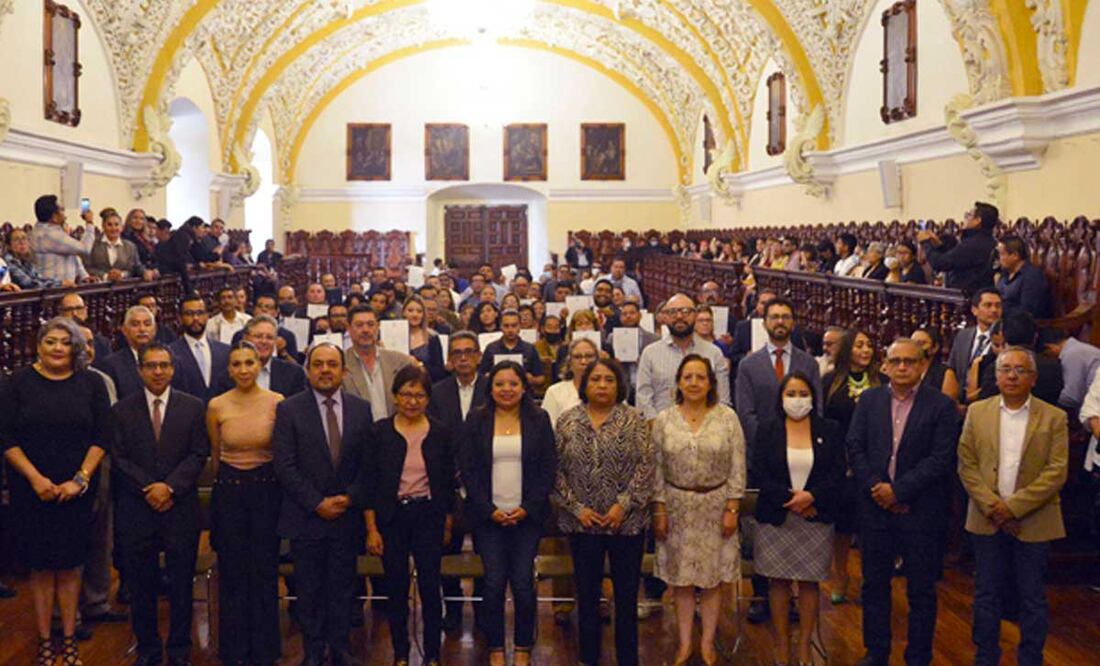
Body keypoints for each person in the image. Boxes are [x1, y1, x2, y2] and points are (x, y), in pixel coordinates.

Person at [1, 317, 109, 666]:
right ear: (38, 345)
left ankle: (69, 639)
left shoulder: (91, 383)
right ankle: (46, 639)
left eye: (65, 342)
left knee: (71, 565)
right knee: (41, 567)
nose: (58, 348)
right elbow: (6, 437)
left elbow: (102, 437)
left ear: (75, 347)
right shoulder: (17, 383)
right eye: (51, 341)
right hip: (31, 489)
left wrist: (80, 479)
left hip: (75, 489)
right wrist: (35, 479)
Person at [847, 338, 959, 666]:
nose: (902, 367)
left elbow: (940, 459)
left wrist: (899, 491)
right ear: (884, 365)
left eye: (910, 361)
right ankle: (876, 652)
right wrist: (877, 487)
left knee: (921, 590)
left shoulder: (940, 406)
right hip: (875, 508)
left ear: (923, 365)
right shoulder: (869, 400)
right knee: (875, 586)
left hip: (920, 511)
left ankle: (918, 655)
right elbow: (855, 446)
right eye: (895, 361)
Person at [956, 346, 1067, 666]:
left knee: (1032, 597)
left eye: (1021, 370)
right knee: (986, 593)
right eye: (1006, 369)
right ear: (996, 375)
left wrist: (1014, 508)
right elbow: (967, 463)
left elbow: (1056, 471)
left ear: (1033, 378)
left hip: (1034, 520)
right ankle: (985, 656)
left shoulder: (1053, 417)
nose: (1013, 375)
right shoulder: (978, 412)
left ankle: (1031, 658)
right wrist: (994, 506)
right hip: (986, 516)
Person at [273, 342, 374, 666]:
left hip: (346, 516)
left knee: (344, 588)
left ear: (344, 371)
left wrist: (350, 497)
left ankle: (341, 649)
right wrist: (316, 503)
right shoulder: (289, 409)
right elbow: (284, 465)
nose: (325, 370)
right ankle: (313, 652)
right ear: (308, 370)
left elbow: (367, 464)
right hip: (307, 516)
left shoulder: (361, 408)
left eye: (332, 364)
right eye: (318, 364)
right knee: (310, 590)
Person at [110, 343, 209, 666]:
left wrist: (169, 487)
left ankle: (180, 650)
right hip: (137, 510)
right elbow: (118, 457)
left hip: (179, 508)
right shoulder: (122, 410)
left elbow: (198, 454)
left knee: (181, 585)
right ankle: (148, 650)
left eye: (164, 365)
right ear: (140, 370)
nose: (158, 372)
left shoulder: (193, 407)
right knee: (142, 585)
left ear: (172, 369)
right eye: (151, 366)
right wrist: (148, 488)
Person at [553, 359, 653, 666]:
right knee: (586, 596)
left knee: (625, 598)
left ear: (619, 384)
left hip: (627, 523)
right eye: (595, 379)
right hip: (582, 524)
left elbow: (647, 467)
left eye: (609, 379)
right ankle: (588, 658)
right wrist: (577, 508)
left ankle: (627, 659)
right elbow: (555, 471)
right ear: (585, 384)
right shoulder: (568, 421)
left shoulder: (635, 419)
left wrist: (623, 505)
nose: (602, 385)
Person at [652, 355, 745, 666]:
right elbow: (656, 468)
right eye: (688, 377)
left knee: (712, 579)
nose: (693, 383)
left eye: (700, 377)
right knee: (682, 579)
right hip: (676, 506)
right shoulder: (664, 419)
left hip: (716, 506)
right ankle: (684, 642)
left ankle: (707, 642)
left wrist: (733, 506)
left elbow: (737, 464)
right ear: (678, 382)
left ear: (710, 383)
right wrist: (659, 510)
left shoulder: (727, 417)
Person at [461, 362, 556, 666]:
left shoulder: (539, 419)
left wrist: (527, 507)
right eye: (500, 384)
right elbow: (469, 470)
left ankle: (524, 647)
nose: (506, 390)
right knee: (492, 583)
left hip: (527, 516)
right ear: (490, 389)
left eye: (513, 384)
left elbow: (547, 469)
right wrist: (489, 510)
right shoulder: (476, 420)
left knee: (524, 584)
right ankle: (496, 649)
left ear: (524, 387)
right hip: (488, 518)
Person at [754, 372, 845, 666]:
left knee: (808, 584)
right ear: (781, 398)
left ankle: (805, 646)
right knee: (778, 583)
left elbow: (836, 472)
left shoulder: (829, 429)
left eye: (803, 393)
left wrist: (811, 497)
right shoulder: (768, 430)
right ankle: (782, 644)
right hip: (777, 517)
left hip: (814, 516)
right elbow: (759, 472)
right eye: (791, 394)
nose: (797, 400)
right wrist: (790, 500)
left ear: (813, 397)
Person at [367, 365, 456, 666]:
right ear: (395, 396)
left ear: (428, 399)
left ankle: (433, 653)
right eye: (406, 394)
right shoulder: (379, 432)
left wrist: (447, 521)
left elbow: (447, 483)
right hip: (392, 518)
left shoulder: (441, 433)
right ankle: (401, 652)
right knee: (396, 588)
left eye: (419, 395)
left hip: (428, 515)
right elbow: (370, 484)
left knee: (431, 588)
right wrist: (372, 529)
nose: (412, 401)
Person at [206, 341, 284, 665]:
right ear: (229, 369)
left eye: (249, 363)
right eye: (236, 364)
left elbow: (281, 452)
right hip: (230, 493)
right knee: (233, 573)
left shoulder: (277, 402)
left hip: (266, 492)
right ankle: (234, 651)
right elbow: (214, 456)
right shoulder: (216, 406)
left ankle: (265, 651)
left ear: (259, 364)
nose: (243, 370)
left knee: (264, 572)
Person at [426, 332, 489, 630]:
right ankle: (451, 611)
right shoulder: (436, 392)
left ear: (478, 356)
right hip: (446, 483)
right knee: (444, 550)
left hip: (487, 484)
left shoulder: (494, 387)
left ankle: (483, 612)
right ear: (449, 360)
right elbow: (432, 438)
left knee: (486, 552)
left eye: (469, 352)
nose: (463, 358)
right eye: (457, 353)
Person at [821, 330, 884, 604]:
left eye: (869, 345)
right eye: (859, 345)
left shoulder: (881, 381)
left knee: (871, 523)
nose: (865, 350)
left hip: (873, 461)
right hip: (839, 460)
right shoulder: (830, 381)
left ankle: (874, 578)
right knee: (843, 525)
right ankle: (840, 573)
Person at [637, 293, 731, 421]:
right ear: (665, 317)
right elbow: (643, 398)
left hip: (706, 432)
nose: (679, 316)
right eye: (673, 312)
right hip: (660, 431)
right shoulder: (650, 353)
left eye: (686, 311)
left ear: (695, 315)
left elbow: (723, 400)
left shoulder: (714, 353)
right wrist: (658, 428)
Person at [343, 306, 414, 422]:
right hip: (358, 434)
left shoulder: (400, 361)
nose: (365, 330)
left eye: (370, 324)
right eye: (359, 325)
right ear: (349, 329)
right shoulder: (341, 364)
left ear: (378, 327)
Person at [919, 202, 998, 293]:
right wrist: (939, 245)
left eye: (968, 215)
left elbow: (941, 263)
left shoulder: (972, 244)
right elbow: (959, 260)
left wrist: (926, 243)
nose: (965, 218)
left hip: (966, 298)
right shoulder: (989, 241)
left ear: (978, 220)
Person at [169, 293, 231, 404]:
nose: (195, 318)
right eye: (189, 314)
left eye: (200, 313)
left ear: (207, 316)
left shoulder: (225, 351)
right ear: (180, 318)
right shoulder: (171, 353)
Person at [947, 288, 1003, 399]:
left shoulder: (1003, 339)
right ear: (974, 310)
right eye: (988, 305)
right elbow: (951, 369)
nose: (994, 310)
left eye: (998, 306)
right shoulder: (963, 336)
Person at [31, 194, 96, 283]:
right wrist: (89, 222)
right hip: (54, 289)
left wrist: (84, 276)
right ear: (54, 217)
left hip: (64, 287)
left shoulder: (49, 231)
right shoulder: (50, 234)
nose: (64, 212)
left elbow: (72, 252)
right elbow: (85, 248)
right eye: (61, 210)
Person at [100, 305, 158, 399]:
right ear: (124, 330)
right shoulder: (111, 365)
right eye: (135, 324)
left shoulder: (168, 359)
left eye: (147, 324)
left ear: (155, 330)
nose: (142, 329)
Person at [1038, 327, 1100, 410]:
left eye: (1047, 355)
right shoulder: (1079, 349)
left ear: (1050, 348)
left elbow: (1071, 397)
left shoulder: (1072, 354)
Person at [480, 309, 545, 388]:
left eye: (514, 325)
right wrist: (488, 377)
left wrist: (532, 379)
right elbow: (480, 376)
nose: (510, 330)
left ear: (520, 326)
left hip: (523, 394)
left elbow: (541, 378)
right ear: (500, 326)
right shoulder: (491, 349)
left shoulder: (529, 349)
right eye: (506, 326)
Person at [84, 208, 151, 281]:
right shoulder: (93, 244)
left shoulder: (130, 246)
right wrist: (106, 276)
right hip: (98, 287)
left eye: (116, 225)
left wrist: (122, 274)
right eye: (109, 225)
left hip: (123, 288)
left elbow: (135, 268)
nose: (113, 228)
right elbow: (87, 267)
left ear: (121, 227)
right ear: (103, 226)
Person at [996, 234, 1052, 319]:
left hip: (1021, 325)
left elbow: (1027, 311)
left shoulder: (1032, 276)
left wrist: (997, 311)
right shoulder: (1005, 273)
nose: (999, 258)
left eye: (1001, 254)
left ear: (1015, 255)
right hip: (1000, 319)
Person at [911, 327, 961, 403]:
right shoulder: (905, 369)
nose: (915, 347)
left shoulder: (945, 373)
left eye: (921, 343)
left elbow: (948, 405)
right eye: (912, 343)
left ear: (935, 347)